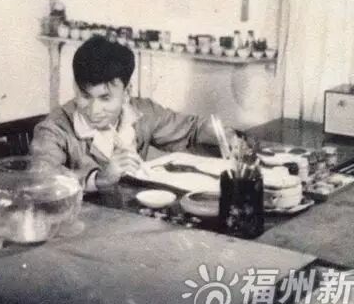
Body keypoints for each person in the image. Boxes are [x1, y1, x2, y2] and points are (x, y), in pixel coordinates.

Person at [30, 36, 244, 192]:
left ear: (126, 93)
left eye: (105, 98)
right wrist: (100, 178)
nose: (94, 110)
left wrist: (225, 136)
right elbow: (41, 179)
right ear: (75, 88)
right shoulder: (54, 128)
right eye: (85, 96)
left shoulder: (141, 112)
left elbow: (192, 129)